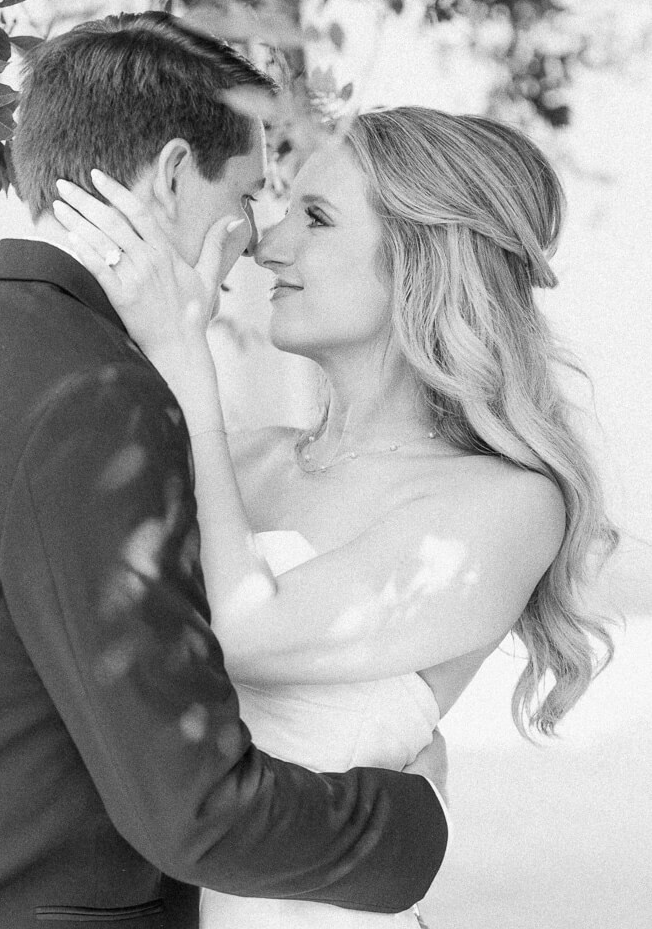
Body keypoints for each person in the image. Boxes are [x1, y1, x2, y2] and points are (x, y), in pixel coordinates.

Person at [0, 16, 450, 929]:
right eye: (247, 193)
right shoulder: (99, 397)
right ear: (173, 175)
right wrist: (414, 823)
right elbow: (195, 811)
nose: (254, 236)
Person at [54, 102, 619, 929]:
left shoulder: (506, 503)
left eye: (315, 217)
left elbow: (241, 629)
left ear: (423, 258)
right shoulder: (238, 456)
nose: (267, 243)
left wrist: (183, 355)